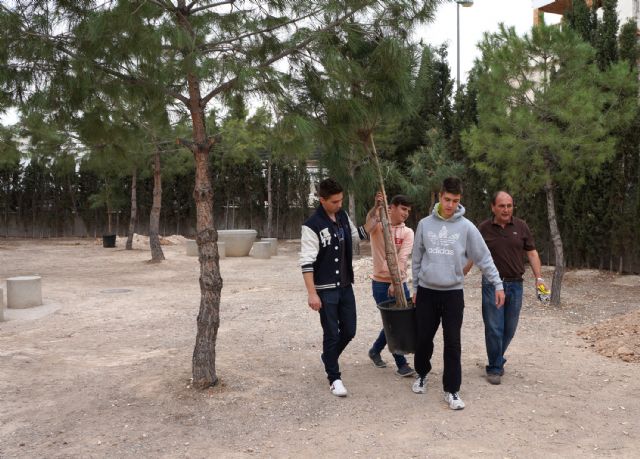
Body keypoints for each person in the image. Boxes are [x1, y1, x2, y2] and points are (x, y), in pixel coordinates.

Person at [411, 177, 505, 410]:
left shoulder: (466, 227)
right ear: (439, 197)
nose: (451, 205)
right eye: (447, 199)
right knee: (423, 339)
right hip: (426, 292)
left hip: (453, 294)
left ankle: (452, 390)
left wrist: (498, 284)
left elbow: (483, 257)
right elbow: (416, 258)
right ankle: (422, 373)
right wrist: (414, 288)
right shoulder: (424, 224)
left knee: (453, 343)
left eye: (455, 201)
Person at [299, 178, 369, 397]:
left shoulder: (342, 216)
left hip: (345, 285)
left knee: (349, 330)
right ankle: (334, 377)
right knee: (331, 333)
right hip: (326, 288)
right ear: (322, 200)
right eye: (335, 201)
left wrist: (374, 219)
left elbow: (356, 236)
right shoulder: (311, 226)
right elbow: (307, 262)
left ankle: (328, 357)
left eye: (341, 200)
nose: (339, 204)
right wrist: (312, 293)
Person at [476, 191, 545, 385]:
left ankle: (496, 359)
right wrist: (458, 275)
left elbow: (531, 252)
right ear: (493, 207)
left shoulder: (521, 226)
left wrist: (538, 278)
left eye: (509, 205)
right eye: (501, 206)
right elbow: (473, 254)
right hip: (492, 284)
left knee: (510, 328)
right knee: (494, 328)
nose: (506, 210)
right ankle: (495, 367)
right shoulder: (484, 228)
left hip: (516, 284)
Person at [365, 193, 416, 377]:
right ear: (391, 207)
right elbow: (367, 225)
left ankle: (375, 350)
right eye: (403, 209)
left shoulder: (408, 232)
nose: (406, 213)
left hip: (399, 283)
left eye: (408, 210)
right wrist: (376, 207)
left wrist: (396, 281)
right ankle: (401, 364)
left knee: (399, 321)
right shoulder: (378, 226)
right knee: (393, 322)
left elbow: (402, 259)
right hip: (379, 283)